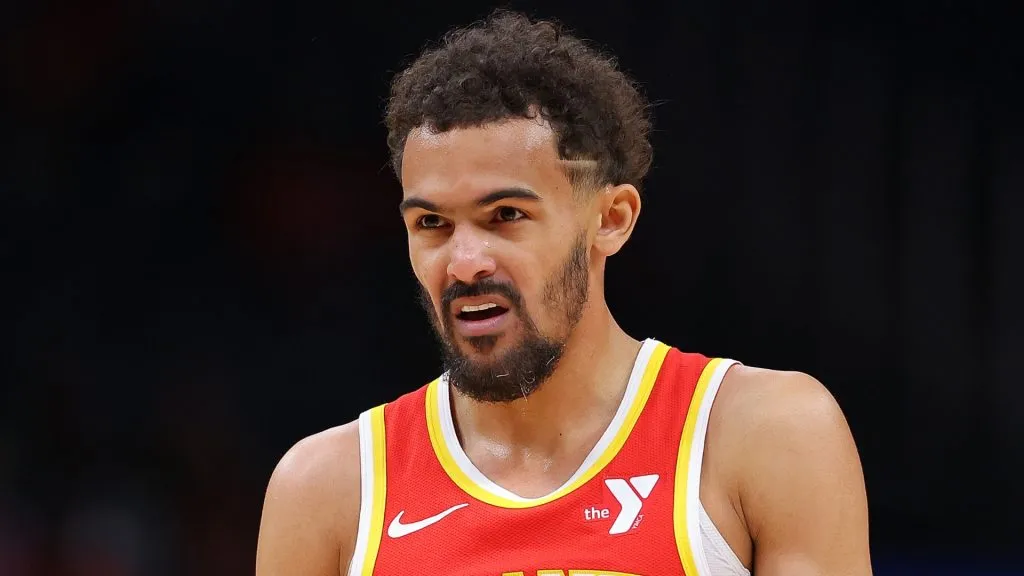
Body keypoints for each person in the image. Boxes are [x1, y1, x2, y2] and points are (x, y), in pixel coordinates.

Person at [255, 9, 871, 576]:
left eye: (505, 216)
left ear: (612, 219)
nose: (465, 263)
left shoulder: (762, 434)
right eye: (432, 224)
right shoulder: (329, 489)